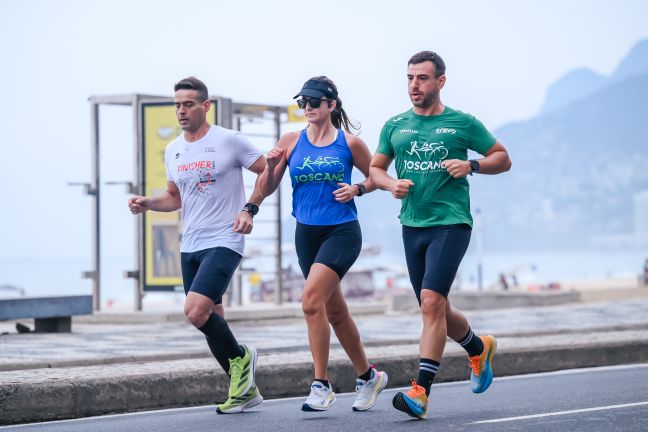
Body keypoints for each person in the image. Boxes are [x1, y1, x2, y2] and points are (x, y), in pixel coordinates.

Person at [369, 51, 512, 420]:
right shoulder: (395, 125)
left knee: (431, 303)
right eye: (410, 78)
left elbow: (502, 157)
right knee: (437, 307)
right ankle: (478, 348)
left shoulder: (461, 122)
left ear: (440, 81)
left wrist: (472, 165)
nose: (414, 85)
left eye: (422, 78)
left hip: (451, 223)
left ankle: (420, 392)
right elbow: (375, 168)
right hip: (411, 225)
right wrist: (389, 185)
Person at [128, 76, 266, 414]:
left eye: (188, 104)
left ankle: (241, 357)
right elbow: (174, 198)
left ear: (205, 106)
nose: (181, 110)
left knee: (195, 311)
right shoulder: (174, 148)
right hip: (191, 244)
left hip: (225, 238)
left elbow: (267, 171)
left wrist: (250, 209)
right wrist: (148, 202)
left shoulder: (229, 141)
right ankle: (245, 390)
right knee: (212, 315)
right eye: (177, 104)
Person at [258, 76, 388, 412]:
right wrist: (271, 168)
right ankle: (368, 376)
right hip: (306, 234)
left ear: (331, 104)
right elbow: (269, 186)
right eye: (303, 102)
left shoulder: (349, 142)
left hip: (341, 232)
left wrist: (357, 189)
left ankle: (321, 383)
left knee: (310, 302)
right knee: (335, 311)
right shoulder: (290, 141)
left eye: (315, 102)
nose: (308, 108)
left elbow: (377, 175)